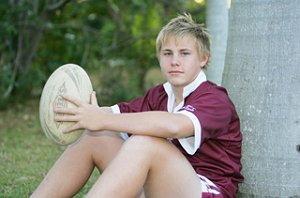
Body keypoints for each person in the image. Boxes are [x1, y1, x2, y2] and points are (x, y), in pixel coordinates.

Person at [31, 13, 243, 198]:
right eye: (167, 53)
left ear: (203, 58)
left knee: (145, 142)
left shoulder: (215, 98)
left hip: (204, 191)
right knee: (94, 137)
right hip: (159, 190)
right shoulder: (158, 95)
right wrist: (83, 114)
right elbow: (113, 114)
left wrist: (103, 119)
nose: (174, 61)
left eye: (184, 53)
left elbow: (175, 126)